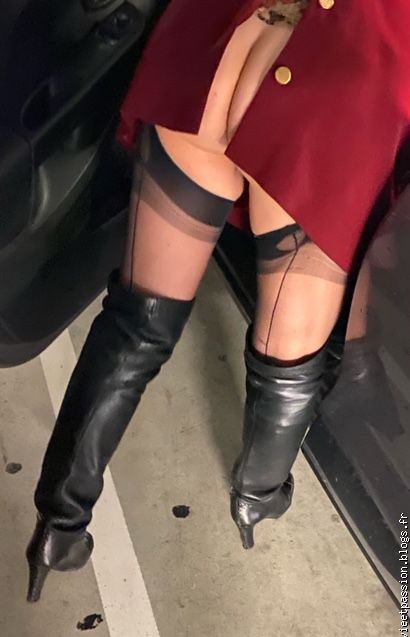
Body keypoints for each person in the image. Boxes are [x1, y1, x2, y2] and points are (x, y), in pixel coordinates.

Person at [26, 0, 410, 602]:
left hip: (218, 43)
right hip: (332, 93)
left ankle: (59, 522)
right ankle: (257, 496)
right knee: (285, 359)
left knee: (137, 319)